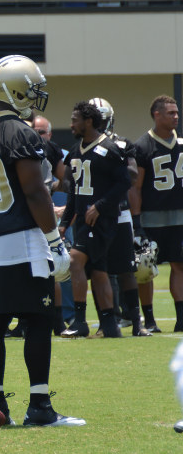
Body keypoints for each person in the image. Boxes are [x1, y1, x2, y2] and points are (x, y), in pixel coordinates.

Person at [0, 54, 83, 427]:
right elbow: (35, 192)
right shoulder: (20, 132)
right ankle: (39, 407)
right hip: (19, 242)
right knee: (38, 320)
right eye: (32, 87)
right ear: (16, 88)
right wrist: (55, 241)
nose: (37, 94)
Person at [59, 101, 131, 339]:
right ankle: (110, 325)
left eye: (75, 120)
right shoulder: (76, 150)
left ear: (88, 121)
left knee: (75, 261)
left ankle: (80, 321)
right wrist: (64, 222)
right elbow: (73, 192)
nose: (71, 124)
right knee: (98, 270)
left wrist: (100, 206)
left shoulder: (109, 149)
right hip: (82, 221)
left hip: (101, 220)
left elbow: (125, 182)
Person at [87, 97, 149, 337]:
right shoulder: (83, 145)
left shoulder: (121, 144)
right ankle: (107, 322)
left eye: (102, 119)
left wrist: (112, 159)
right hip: (94, 216)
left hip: (119, 213)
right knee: (99, 271)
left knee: (125, 270)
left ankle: (136, 321)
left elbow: (132, 175)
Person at [131, 95, 183, 333]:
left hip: (180, 217)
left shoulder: (181, 143)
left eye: (176, 112)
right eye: (171, 113)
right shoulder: (142, 146)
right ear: (157, 115)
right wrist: (137, 221)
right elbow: (136, 187)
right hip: (152, 217)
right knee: (146, 269)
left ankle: (181, 317)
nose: (176, 116)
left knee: (180, 265)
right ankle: (149, 320)